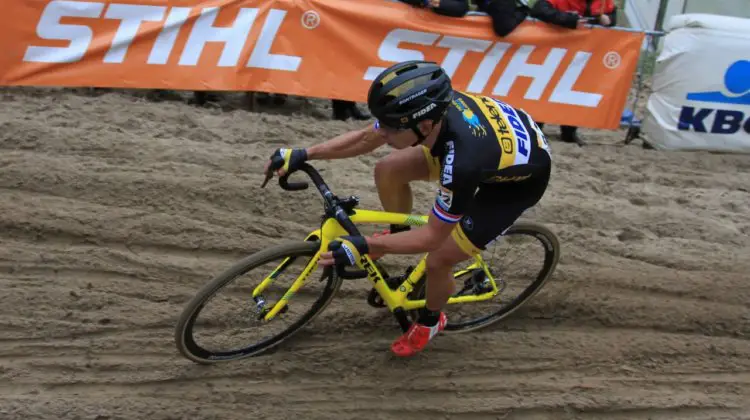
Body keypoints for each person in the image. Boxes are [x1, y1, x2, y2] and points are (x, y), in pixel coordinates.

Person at [263, 60, 552, 357]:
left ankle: (430, 321)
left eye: (390, 127)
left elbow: (432, 238)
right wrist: (304, 153)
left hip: (512, 186)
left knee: (439, 258)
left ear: (425, 125)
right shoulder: (427, 114)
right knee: (388, 169)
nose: (381, 133)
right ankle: (398, 235)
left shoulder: (462, 162)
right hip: (490, 143)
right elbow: (366, 138)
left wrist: (366, 244)